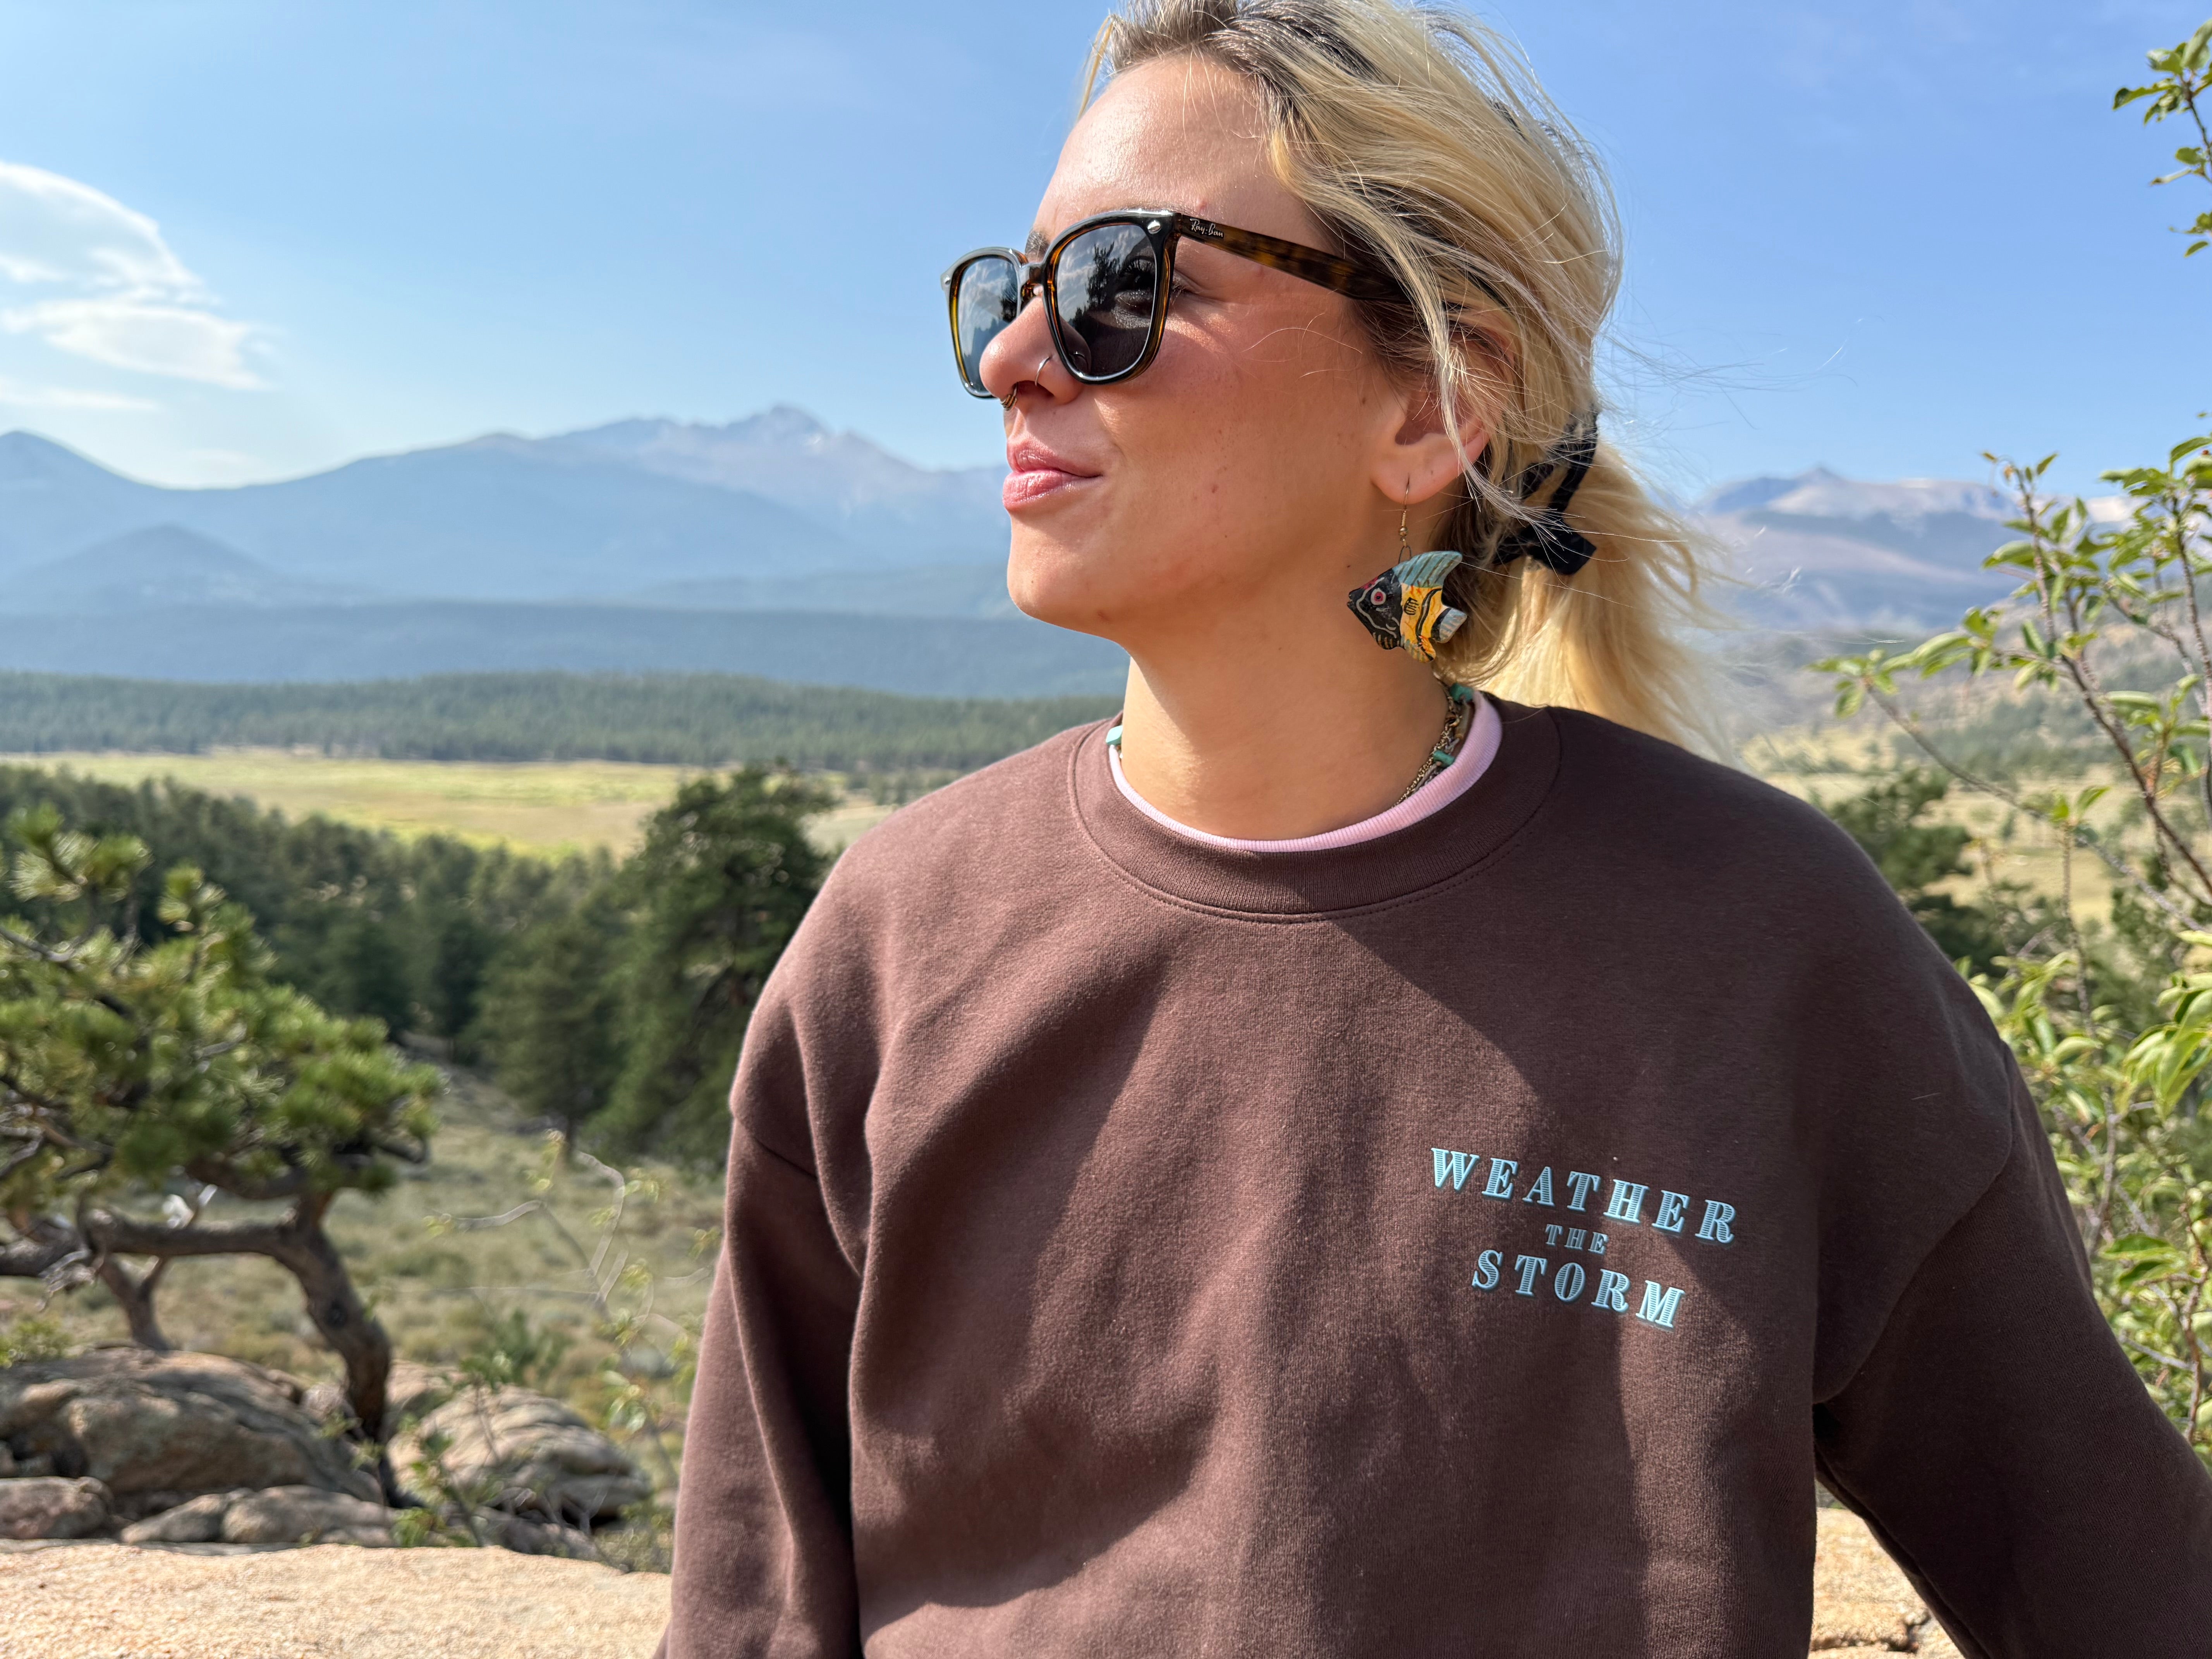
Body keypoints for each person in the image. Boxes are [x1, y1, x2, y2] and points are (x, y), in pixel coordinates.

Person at [659, 1, 2212, 1652]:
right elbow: (758, 1606)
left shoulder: (1759, 950)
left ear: (1438, 407)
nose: (1012, 359)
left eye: (1124, 284)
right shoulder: (903, 935)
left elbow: (2113, 1580)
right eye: (1012, 286)